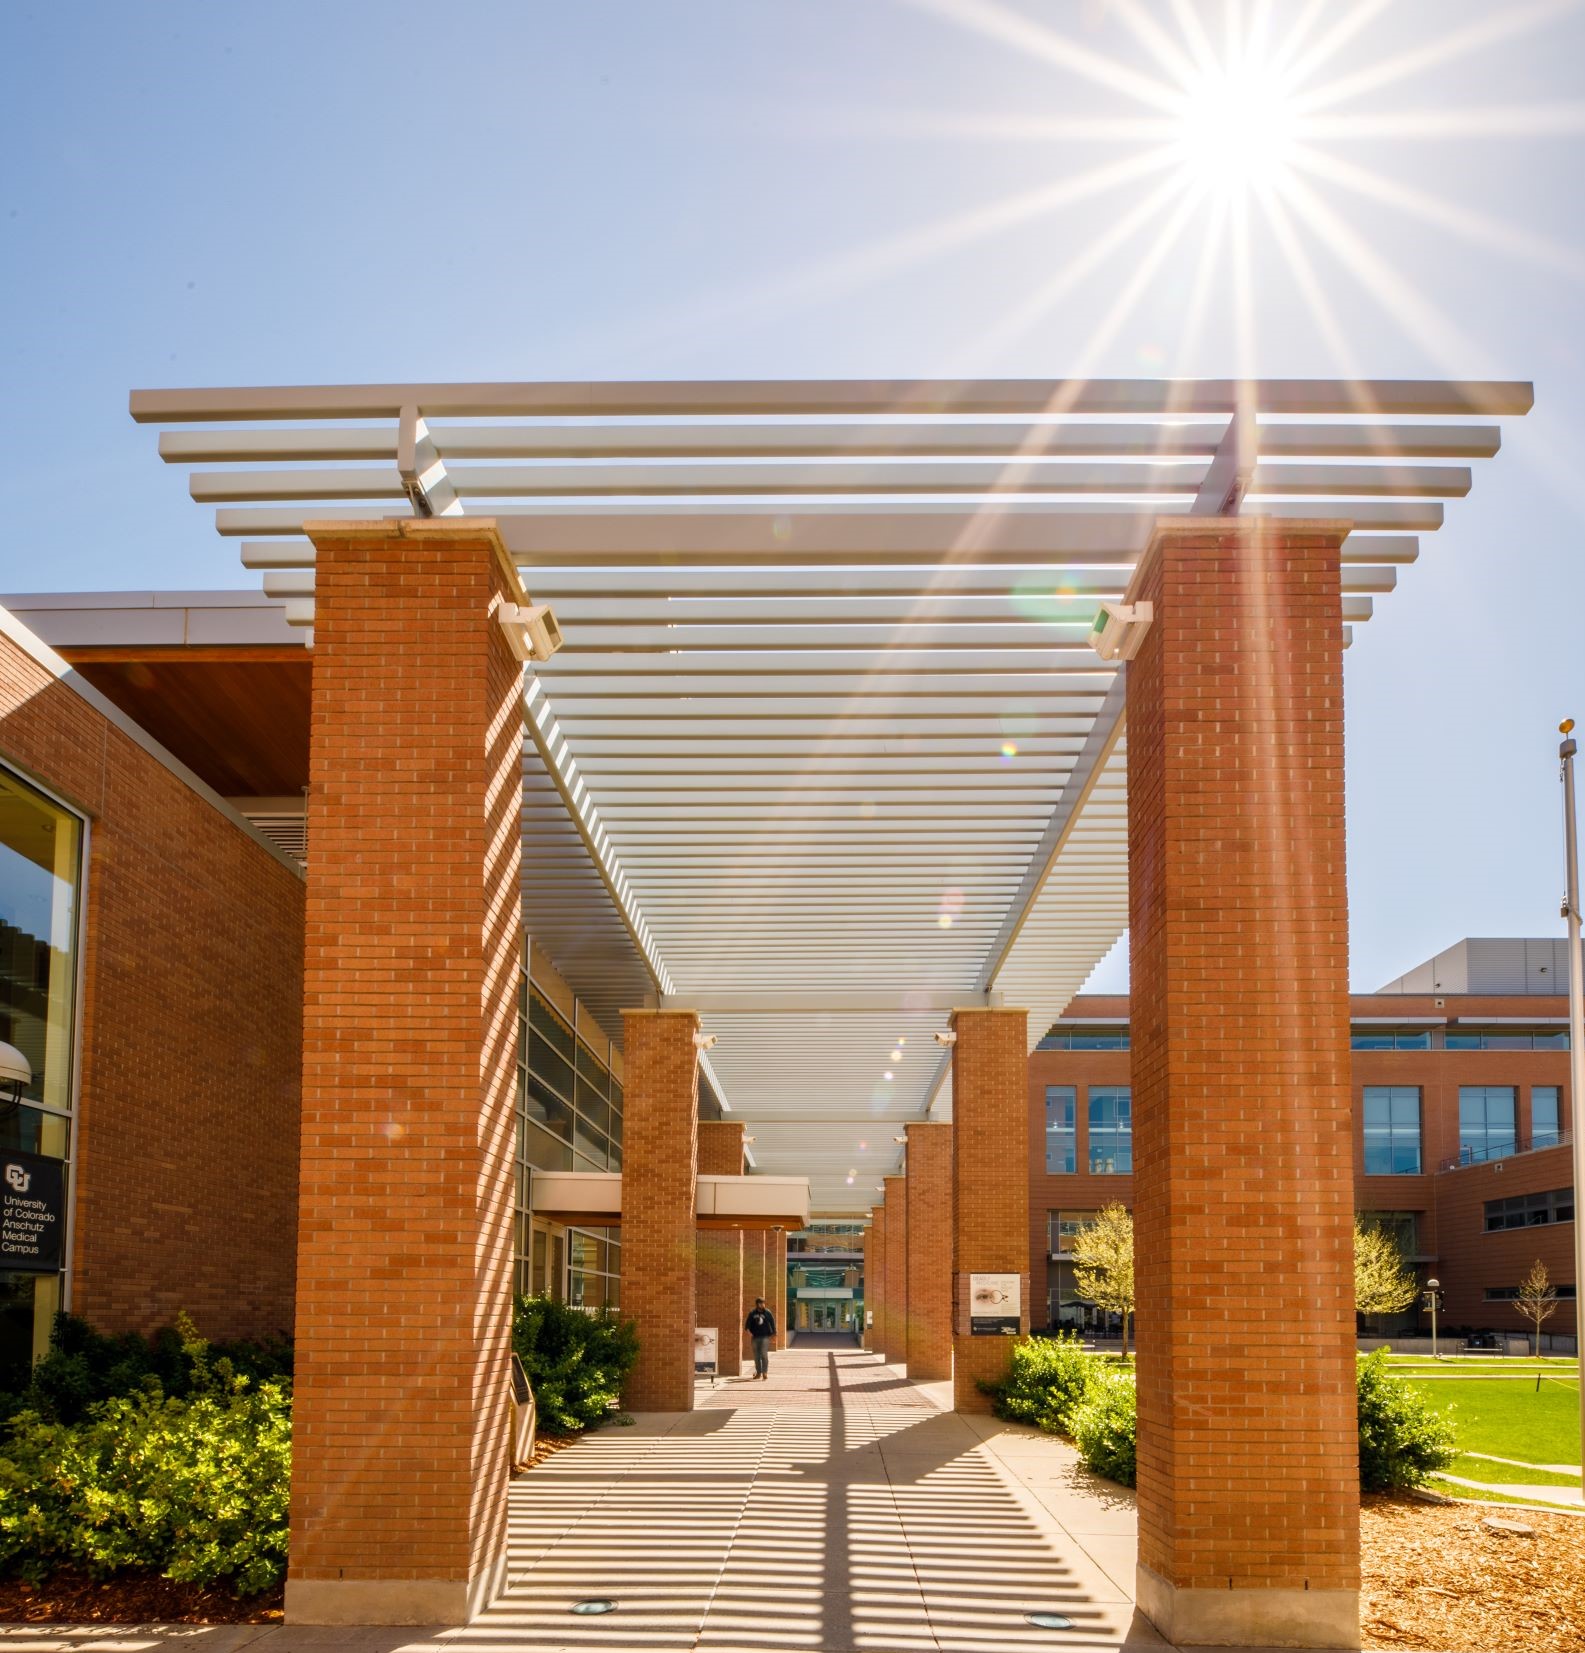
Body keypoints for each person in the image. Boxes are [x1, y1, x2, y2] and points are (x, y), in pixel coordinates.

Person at [744, 1297, 776, 1379]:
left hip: (765, 1337)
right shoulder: (752, 1313)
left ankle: (765, 1372)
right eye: (761, 1303)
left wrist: (774, 1334)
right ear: (757, 1304)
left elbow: (772, 1323)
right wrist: (749, 1332)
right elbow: (747, 1325)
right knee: (756, 1356)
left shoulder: (767, 1312)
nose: (762, 1305)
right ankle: (758, 1373)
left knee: (764, 1354)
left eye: (763, 1303)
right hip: (755, 1337)